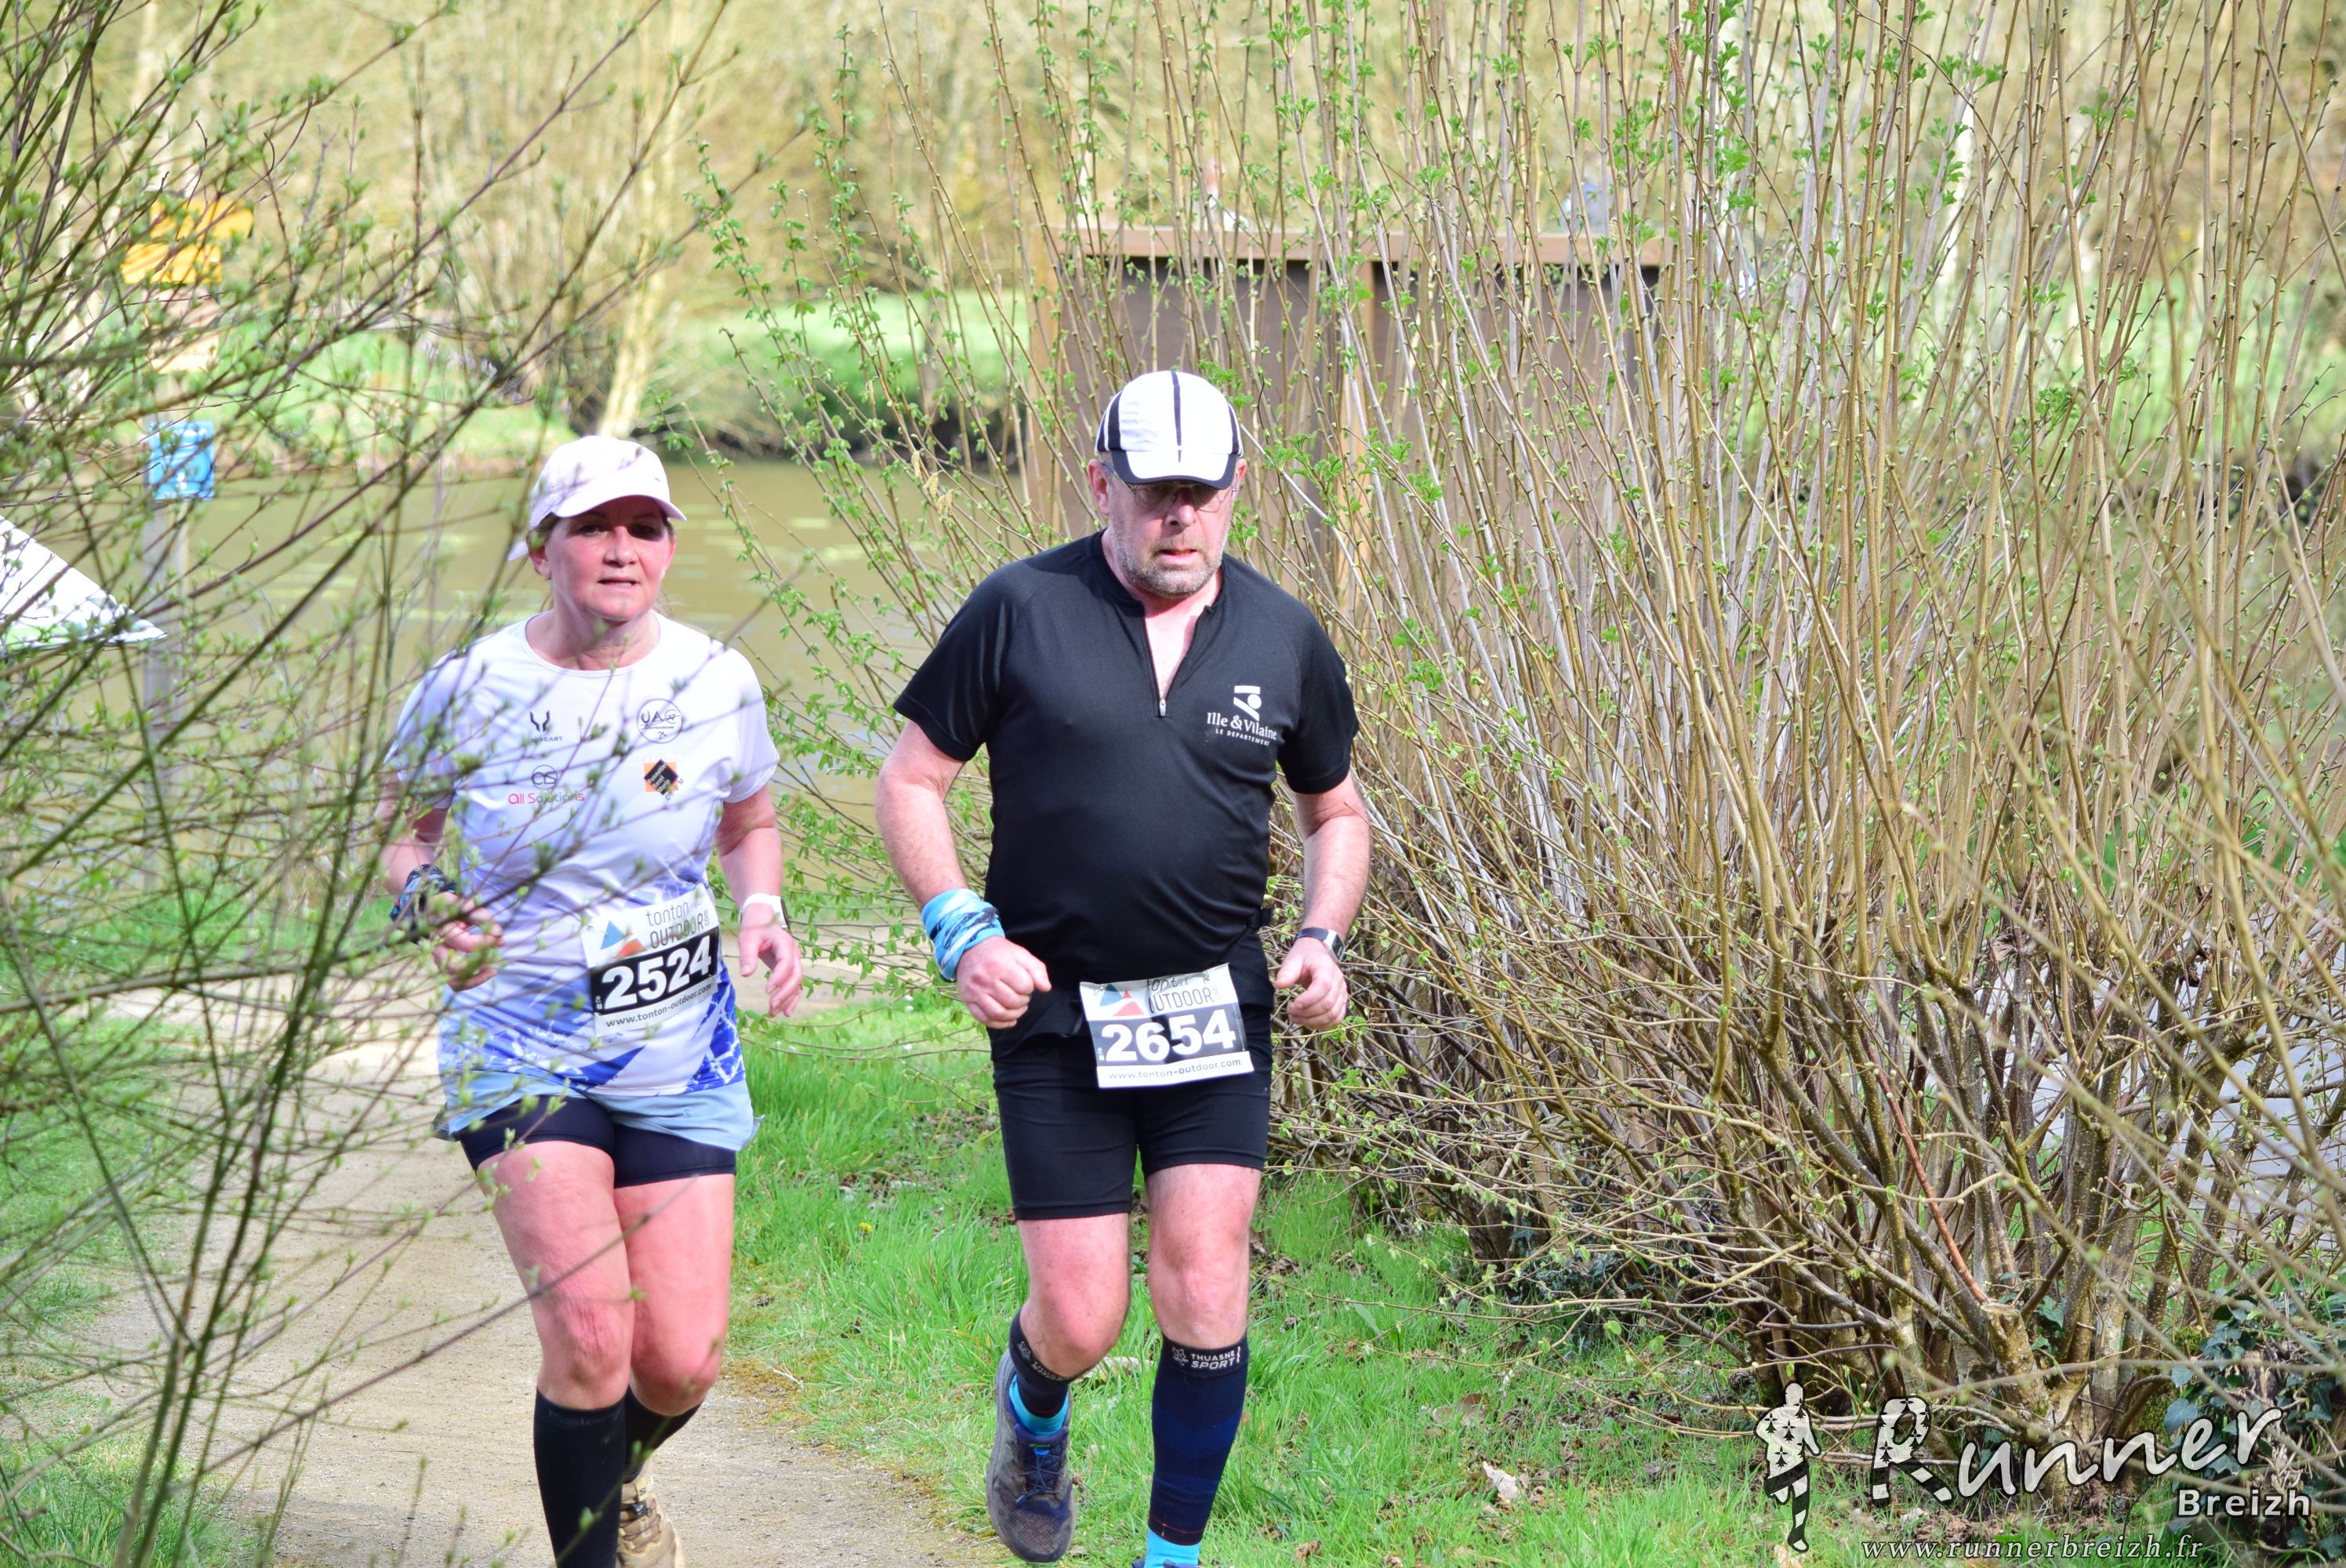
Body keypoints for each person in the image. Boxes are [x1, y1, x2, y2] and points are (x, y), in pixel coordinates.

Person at [874, 369, 1371, 1568]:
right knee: (1084, 1317)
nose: (1180, 517)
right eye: (1155, 493)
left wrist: (1320, 937)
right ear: (1102, 483)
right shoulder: (1020, 608)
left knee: (1206, 1285)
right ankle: (1034, 1407)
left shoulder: (1285, 635)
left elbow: (1337, 813)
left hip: (1213, 1009)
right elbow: (911, 781)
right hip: (1054, 1015)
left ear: (1239, 488)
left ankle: (1171, 1557)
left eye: (1203, 492)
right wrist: (961, 930)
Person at [380, 434, 803, 1568]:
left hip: (676, 1046)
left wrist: (762, 910)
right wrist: (426, 900)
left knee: (680, 1361)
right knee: (588, 1336)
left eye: (644, 528)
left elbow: (750, 823)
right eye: (594, 528)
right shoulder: (467, 689)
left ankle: (617, 1483)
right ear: (541, 551)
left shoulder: (716, 682)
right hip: (518, 1040)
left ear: (667, 549)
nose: (622, 549)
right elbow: (401, 832)